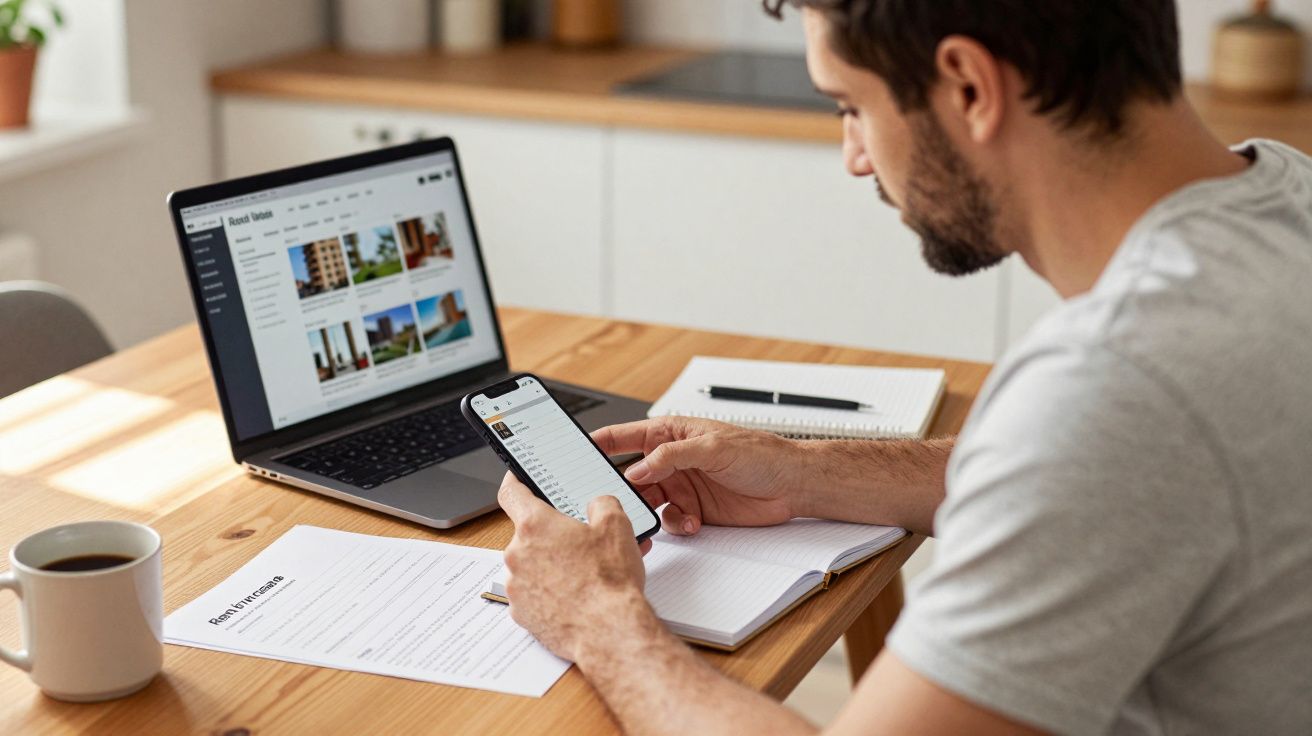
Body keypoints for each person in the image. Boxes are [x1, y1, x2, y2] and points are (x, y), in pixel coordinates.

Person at [495, 1, 1312, 733]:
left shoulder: (1119, 384)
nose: (854, 156)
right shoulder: (1284, 197)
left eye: (853, 107)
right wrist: (804, 473)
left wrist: (598, 620)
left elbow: (1107, 445)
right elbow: (1125, 481)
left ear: (967, 85)